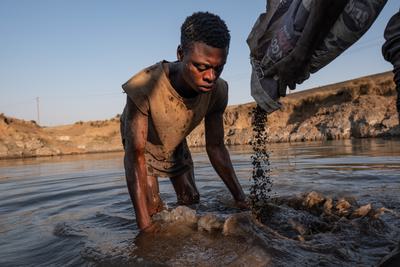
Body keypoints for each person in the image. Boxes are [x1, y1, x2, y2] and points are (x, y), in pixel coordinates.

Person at [120, 12, 247, 232]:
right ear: (180, 54)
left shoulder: (218, 91)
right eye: (201, 67)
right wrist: (145, 229)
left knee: (191, 199)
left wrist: (241, 199)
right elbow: (135, 157)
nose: (210, 76)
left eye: (218, 68)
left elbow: (216, 147)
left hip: (175, 138)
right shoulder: (144, 87)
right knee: (152, 209)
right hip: (144, 145)